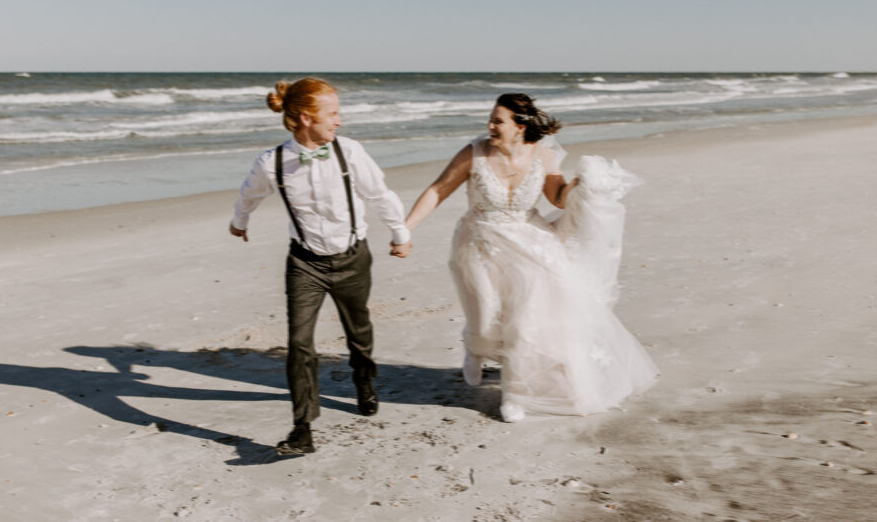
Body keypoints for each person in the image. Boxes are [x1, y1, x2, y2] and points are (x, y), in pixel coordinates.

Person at [404, 93, 657, 422]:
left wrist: (580, 187)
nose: (490, 125)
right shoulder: (475, 153)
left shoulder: (544, 156)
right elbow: (439, 189)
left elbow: (558, 198)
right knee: (484, 314)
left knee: (525, 320)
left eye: (498, 121)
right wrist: (405, 229)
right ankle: (475, 346)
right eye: (491, 119)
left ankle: (515, 393)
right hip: (480, 241)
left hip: (529, 240)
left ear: (520, 126)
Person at [229, 77, 412, 455]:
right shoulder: (272, 162)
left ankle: (364, 381)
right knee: (299, 343)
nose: (339, 121)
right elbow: (250, 192)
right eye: (332, 114)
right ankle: (302, 428)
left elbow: (379, 192)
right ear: (304, 118)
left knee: (358, 333)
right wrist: (240, 221)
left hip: (352, 259)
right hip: (305, 263)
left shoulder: (350, 152)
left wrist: (399, 231)